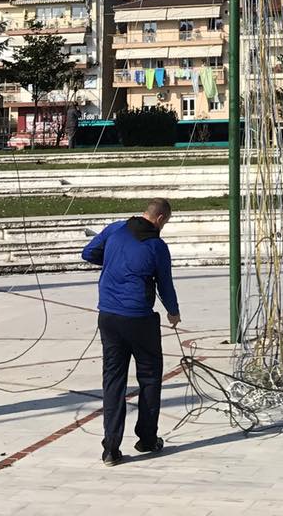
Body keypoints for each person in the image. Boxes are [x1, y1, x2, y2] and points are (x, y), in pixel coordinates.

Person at [82, 198, 181, 466]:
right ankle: (147, 439)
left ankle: (110, 448)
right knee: (149, 377)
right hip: (139, 319)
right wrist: (173, 312)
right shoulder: (157, 246)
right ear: (160, 219)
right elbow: (165, 283)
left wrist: (113, 263)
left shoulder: (116, 228)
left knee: (113, 380)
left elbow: (88, 253)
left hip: (108, 317)